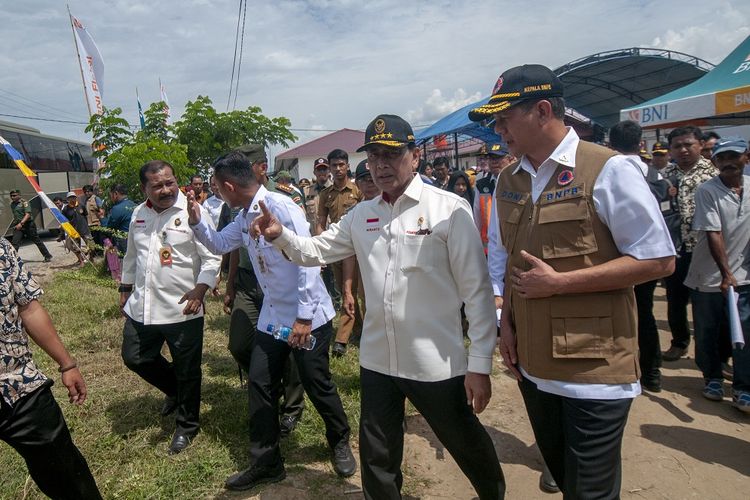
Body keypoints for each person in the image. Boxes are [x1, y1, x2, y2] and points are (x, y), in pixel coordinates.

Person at [253, 114, 505, 500]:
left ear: (414, 156)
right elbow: (316, 250)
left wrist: (481, 364)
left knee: (464, 441)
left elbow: (477, 293)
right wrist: (281, 236)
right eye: (374, 156)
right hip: (378, 361)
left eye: (391, 154)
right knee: (377, 455)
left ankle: (493, 493)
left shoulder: (448, 209)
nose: (381, 165)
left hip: (435, 362)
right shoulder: (363, 214)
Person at [469, 64, 674, 498]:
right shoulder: (509, 178)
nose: (498, 129)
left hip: (594, 364)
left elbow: (658, 259)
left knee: (589, 492)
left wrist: (562, 284)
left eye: (505, 118)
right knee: (564, 477)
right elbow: (501, 261)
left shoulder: (608, 169)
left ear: (543, 110)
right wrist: (505, 321)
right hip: (534, 362)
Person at [188, 151, 356, 491]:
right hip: (273, 318)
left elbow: (308, 260)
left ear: (230, 186)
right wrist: (196, 221)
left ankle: (339, 438)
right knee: (260, 383)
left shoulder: (280, 207)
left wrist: (304, 318)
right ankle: (266, 461)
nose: (216, 193)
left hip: (306, 316)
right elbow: (220, 243)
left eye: (217, 188)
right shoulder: (242, 214)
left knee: (315, 382)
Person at [119, 160, 221, 455]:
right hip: (144, 305)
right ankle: (175, 391)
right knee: (135, 356)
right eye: (157, 185)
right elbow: (131, 255)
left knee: (188, 369)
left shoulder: (193, 212)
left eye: (170, 183)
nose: (165, 190)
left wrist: (201, 289)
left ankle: (187, 425)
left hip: (183, 306)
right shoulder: (139, 213)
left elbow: (213, 256)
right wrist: (125, 288)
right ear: (144, 188)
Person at [0, 238, 101, 499]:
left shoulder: (1, 249)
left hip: (18, 386)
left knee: (65, 473)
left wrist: (67, 364)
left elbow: (29, 308)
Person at [223, 144, 306, 438]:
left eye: (245, 166)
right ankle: (272, 385)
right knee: (240, 343)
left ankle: (293, 407)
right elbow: (231, 245)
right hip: (248, 279)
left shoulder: (284, 200)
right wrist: (229, 282)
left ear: (260, 167)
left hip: (281, 284)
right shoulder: (232, 202)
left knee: (290, 347)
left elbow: (302, 248)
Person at [684, 137, 750, 411]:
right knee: (708, 329)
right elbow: (714, 232)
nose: (727, 163)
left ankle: (743, 388)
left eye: (732, 157)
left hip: (744, 276)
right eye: (721, 159)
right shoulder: (707, 190)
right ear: (715, 163)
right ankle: (711, 377)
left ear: (745, 157)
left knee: (744, 332)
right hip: (709, 275)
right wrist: (726, 274)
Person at [609, 120, 671, 393]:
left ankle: (623, 368)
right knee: (644, 314)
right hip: (646, 258)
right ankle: (651, 372)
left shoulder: (606, 170)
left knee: (618, 313)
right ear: (640, 144)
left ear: (611, 144)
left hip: (615, 260)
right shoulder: (655, 176)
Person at [662, 126, 718, 361]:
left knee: (705, 305)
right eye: (677, 146)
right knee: (675, 300)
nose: (683, 150)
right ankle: (679, 342)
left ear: (700, 145)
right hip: (675, 249)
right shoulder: (664, 175)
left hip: (704, 249)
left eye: (688, 144)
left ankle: (711, 355)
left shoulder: (713, 175)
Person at [317, 149, 364, 357]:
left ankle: (341, 340)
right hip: (336, 249)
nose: (337, 169)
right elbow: (319, 223)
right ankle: (360, 330)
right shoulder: (325, 195)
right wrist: (321, 248)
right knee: (348, 292)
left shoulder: (358, 190)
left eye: (341, 165)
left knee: (352, 292)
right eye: (333, 165)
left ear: (347, 166)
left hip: (356, 249)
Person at [341, 160, 381, 330]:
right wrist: (347, 288)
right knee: (368, 301)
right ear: (357, 184)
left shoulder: (396, 206)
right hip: (366, 266)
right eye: (364, 180)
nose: (369, 184)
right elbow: (349, 252)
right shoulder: (354, 214)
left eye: (372, 178)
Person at [474, 143, 512, 255]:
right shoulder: (481, 185)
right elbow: (477, 219)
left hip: (513, 246)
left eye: (498, 158)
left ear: (510, 159)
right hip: (489, 250)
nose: (494, 162)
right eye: (490, 158)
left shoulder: (517, 183)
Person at [9, 190, 53, 262]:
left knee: (36, 240)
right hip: (19, 226)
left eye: (14, 195)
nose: (12, 197)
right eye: (11, 196)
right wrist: (16, 224)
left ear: (19, 195)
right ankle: (13, 260)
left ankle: (47, 255)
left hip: (28, 225)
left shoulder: (24, 203)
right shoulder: (12, 204)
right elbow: (16, 216)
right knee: (15, 243)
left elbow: (28, 214)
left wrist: (21, 223)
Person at [105, 183, 136, 255]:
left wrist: (102, 218)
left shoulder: (117, 209)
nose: (111, 198)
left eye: (110, 195)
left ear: (115, 194)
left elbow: (109, 229)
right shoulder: (134, 205)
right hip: (135, 241)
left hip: (123, 244)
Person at [82, 184, 104, 249]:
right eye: (85, 192)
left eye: (88, 191)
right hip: (90, 224)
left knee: (99, 240)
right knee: (93, 240)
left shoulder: (96, 198)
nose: (86, 193)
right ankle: (96, 252)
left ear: (92, 191)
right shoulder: (86, 200)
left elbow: (102, 211)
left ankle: (101, 253)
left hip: (97, 223)